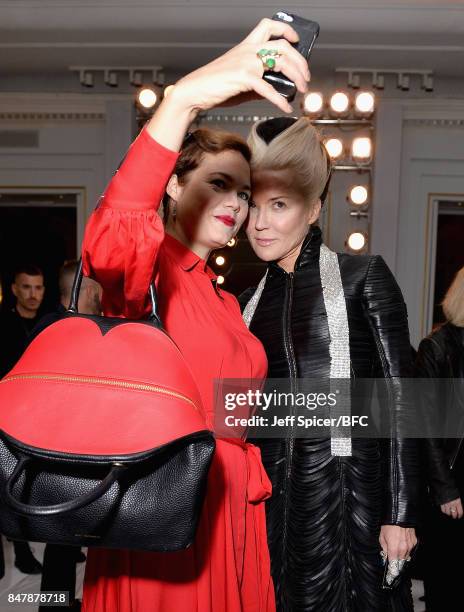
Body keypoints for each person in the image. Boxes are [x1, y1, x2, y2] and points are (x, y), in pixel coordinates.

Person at [80, 19, 310, 612]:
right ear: (175, 188)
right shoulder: (148, 276)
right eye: (217, 184)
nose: (234, 203)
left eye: (242, 191)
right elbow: (111, 235)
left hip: (232, 509)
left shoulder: (227, 299)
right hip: (169, 507)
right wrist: (183, 100)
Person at [239, 116, 420, 611]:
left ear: (314, 208)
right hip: (269, 509)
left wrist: (400, 513)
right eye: (253, 205)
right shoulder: (242, 304)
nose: (260, 223)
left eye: (279, 205)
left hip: (353, 506)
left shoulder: (365, 278)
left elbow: (402, 400)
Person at [36, 260, 101, 612]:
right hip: (61, 451)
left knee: (63, 539)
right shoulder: (68, 329)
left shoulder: (53, 325)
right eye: (99, 289)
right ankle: (53, 605)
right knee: (61, 538)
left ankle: (56, 602)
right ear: (86, 291)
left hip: (56, 449)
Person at [415, 266, 464, 611]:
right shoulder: (436, 347)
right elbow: (424, 425)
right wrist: (445, 488)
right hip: (452, 480)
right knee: (447, 584)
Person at [0, 264, 45, 576]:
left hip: (37, 417)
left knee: (29, 483)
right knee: (4, 484)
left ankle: (37, 545)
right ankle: (19, 550)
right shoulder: (3, 324)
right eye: (27, 287)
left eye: (39, 288)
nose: (33, 294)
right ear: (14, 289)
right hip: (4, 414)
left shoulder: (47, 324)